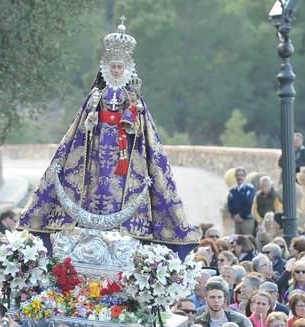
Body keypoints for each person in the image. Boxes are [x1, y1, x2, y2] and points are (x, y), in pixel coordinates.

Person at [18, 20, 200, 253]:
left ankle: (126, 224)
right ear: (107, 67)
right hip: (95, 149)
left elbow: (143, 131)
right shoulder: (97, 94)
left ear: (127, 69)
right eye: (113, 66)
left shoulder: (134, 98)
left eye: (120, 67)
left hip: (124, 151)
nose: (116, 70)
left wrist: (133, 115)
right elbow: (81, 126)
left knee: (119, 183)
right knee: (95, 180)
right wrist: (91, 122)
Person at [227, 168, 256, 236]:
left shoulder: (250, 189)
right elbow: (230, 205)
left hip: (247, 220)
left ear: (244, 176)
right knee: (237, 241)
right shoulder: (232, 191)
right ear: (235, 177)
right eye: (237, 175)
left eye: (241, 175)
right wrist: (234, 215)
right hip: (237, 221)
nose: (239, 177)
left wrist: (241, 215)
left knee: (247, 241)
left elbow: (250, 203)